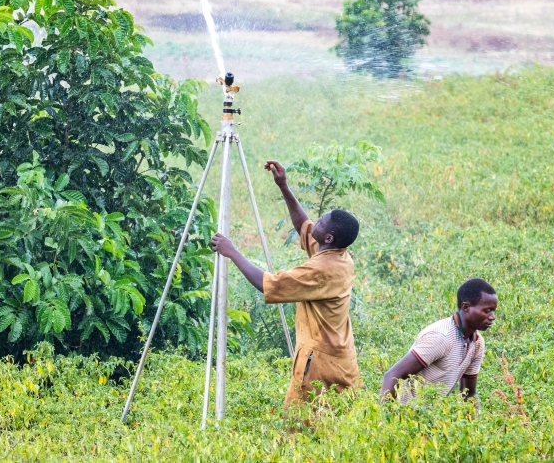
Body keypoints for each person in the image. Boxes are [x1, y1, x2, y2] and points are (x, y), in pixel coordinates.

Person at [209, 160, 361, 407]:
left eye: (321, 222)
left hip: (320, 365)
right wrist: (283, 186)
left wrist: (232, 251)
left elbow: (270, 284)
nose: (315, 223)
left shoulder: (321, 270)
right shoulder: (339, 255)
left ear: (329, 237)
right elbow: (304, 226)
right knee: (335, 429)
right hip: (340, 360)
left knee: (301, 428)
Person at [379, 278, 497, 413]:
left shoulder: (477, 343)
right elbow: (392, 375)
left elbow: (468, 395)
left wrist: (475, 428)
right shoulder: (441, 337)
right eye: (487, 310)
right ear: (466, 307)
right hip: (406, 415)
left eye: (493, 311)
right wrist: (387, 421)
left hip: (431, 419)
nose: (492, 317)